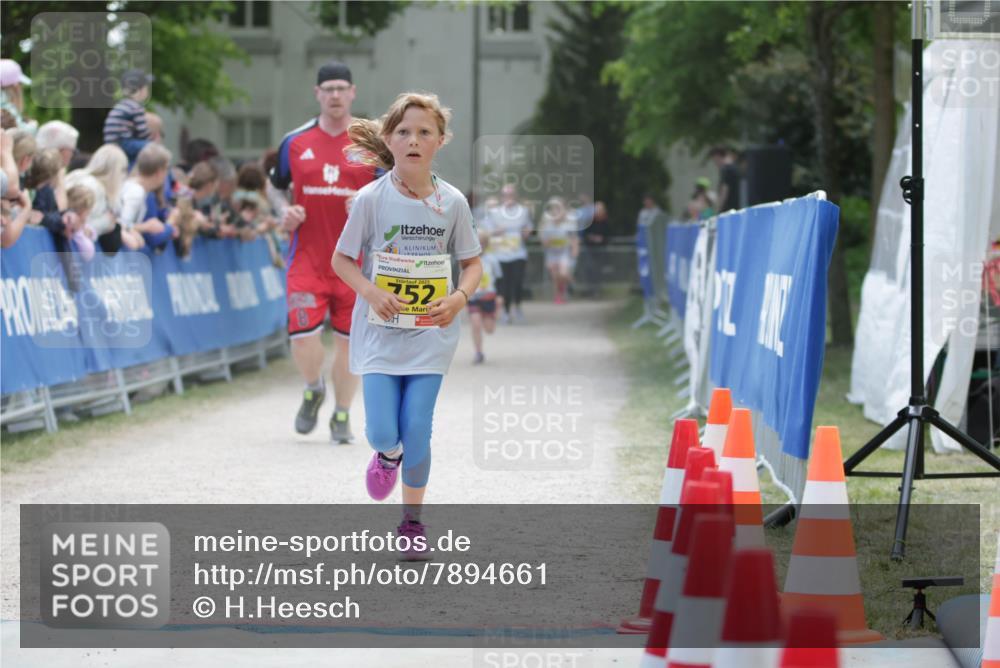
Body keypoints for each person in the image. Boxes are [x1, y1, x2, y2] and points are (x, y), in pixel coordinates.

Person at [332, 92, 482, 556]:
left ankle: (412, 523)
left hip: (430, 336)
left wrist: (458, 298)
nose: (414, 140)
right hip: (381, 334)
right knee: (382, 431)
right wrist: (372, 292)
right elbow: (341, 260)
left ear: (440, 141)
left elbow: (473, 264)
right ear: (388, 139)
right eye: (404, 132)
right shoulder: (371, 200)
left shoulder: (452, 202)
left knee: (417, 427)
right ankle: (387, 454)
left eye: (424, 132)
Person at [269, 61, 376, 442]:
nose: (335, 95)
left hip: (354, 265)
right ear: (317, 94)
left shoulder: (370, 143)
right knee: (302, 337)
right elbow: (275, 186)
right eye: (328, 89)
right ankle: (313, 387)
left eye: (341, 88)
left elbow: (392, 191)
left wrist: (365, 203)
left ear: (352, 93)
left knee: (349, 345)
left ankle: (342, 415)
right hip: (307, 260)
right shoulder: (295, 141)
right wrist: (284, 211)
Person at [65, 144, 133, 253]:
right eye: (123, 170)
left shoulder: (78, 175)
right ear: (115, 171)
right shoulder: (95, 188)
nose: (125, 175)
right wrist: (106, 222)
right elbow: (83, 226)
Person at [487, 183, 532, 323]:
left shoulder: (523, 211)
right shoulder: (494, 212)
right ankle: (506, 312)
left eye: (511, 195)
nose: (508, 197)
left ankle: (518, 307)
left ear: (516, 196)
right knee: (504, 284)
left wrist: (527, 232)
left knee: (518, 282)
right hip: (501, 254)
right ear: (501, 197)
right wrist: (496, 231)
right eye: (506, 195)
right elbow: (486, 231)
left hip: (518, 253)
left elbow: (528, 227)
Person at [118, 143, 174, 249]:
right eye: (166, 169)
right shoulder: (136, 192)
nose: (167, 174)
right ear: (159, 172)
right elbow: (121, 225)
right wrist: (146, 227)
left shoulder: (138, 189)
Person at [102, 69, 154, 165]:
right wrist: (151, 141)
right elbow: (143, 133)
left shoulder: (121, 105)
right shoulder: (136, 107)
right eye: (146, 87)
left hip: (110, 142)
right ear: (140, 90)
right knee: (152, 147)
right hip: (123, 143)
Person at [468, 229, 502, 364]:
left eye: (481, 243)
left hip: (489, 297)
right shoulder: (467, 260)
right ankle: (478, 352)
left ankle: (492, 315)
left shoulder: (492, 260)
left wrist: (500, 296)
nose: (479, 246)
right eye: (476, 243)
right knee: (475, 324)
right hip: (473, 297)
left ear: (486, 244)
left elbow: (500, 279)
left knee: (489, 329)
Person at [539, 196, 579, 304]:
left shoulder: (568, 224)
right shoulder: (547, 226)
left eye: (559, 209)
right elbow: (544, 243)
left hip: (564, 254)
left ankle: (565, 285)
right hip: (551, 254)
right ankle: (558, 295)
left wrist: (575, 250)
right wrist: (549, 242)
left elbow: (574, 238)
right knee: (555, 276)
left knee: (563, 274)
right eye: (554, 209)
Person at [578, 200, 611, 297]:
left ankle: (597, 289)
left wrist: (601, 239)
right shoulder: (590, 222)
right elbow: (585, 235)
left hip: (601, 250)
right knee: (589, 268)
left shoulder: (606, 222)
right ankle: (590, 289)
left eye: (599, 210)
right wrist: (591, 238)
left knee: (598, 270)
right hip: (590, 249)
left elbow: (608, 236)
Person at [0, 59, 36, 134]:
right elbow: (19, 134)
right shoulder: (8, 110)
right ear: (14, 87)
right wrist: (33, 126)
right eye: (20, 84)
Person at [709, 146, 741, 213]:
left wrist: (719, 209)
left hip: (727, 209)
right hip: (736, 207)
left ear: (718, 156)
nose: (715, 163)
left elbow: (724, 190)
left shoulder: (726, 169)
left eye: (715, 160)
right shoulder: (734, 167)